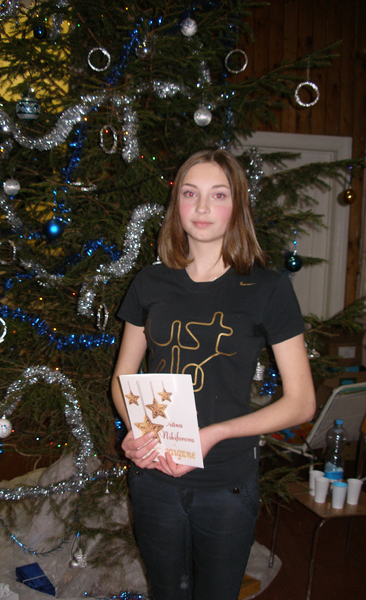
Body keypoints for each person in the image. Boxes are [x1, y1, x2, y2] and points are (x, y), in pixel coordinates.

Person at [111, 148, 315, 600]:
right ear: (176, 204)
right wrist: (136, 432)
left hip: (226, 484)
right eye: (190, 193)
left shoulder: (268, 288)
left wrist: (215, 434)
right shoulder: (149, 282)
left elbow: (302, 403)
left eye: (218, 195)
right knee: (166, 592)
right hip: (154, 478)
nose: (202, 207)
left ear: (237, 206)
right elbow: (123, 378)